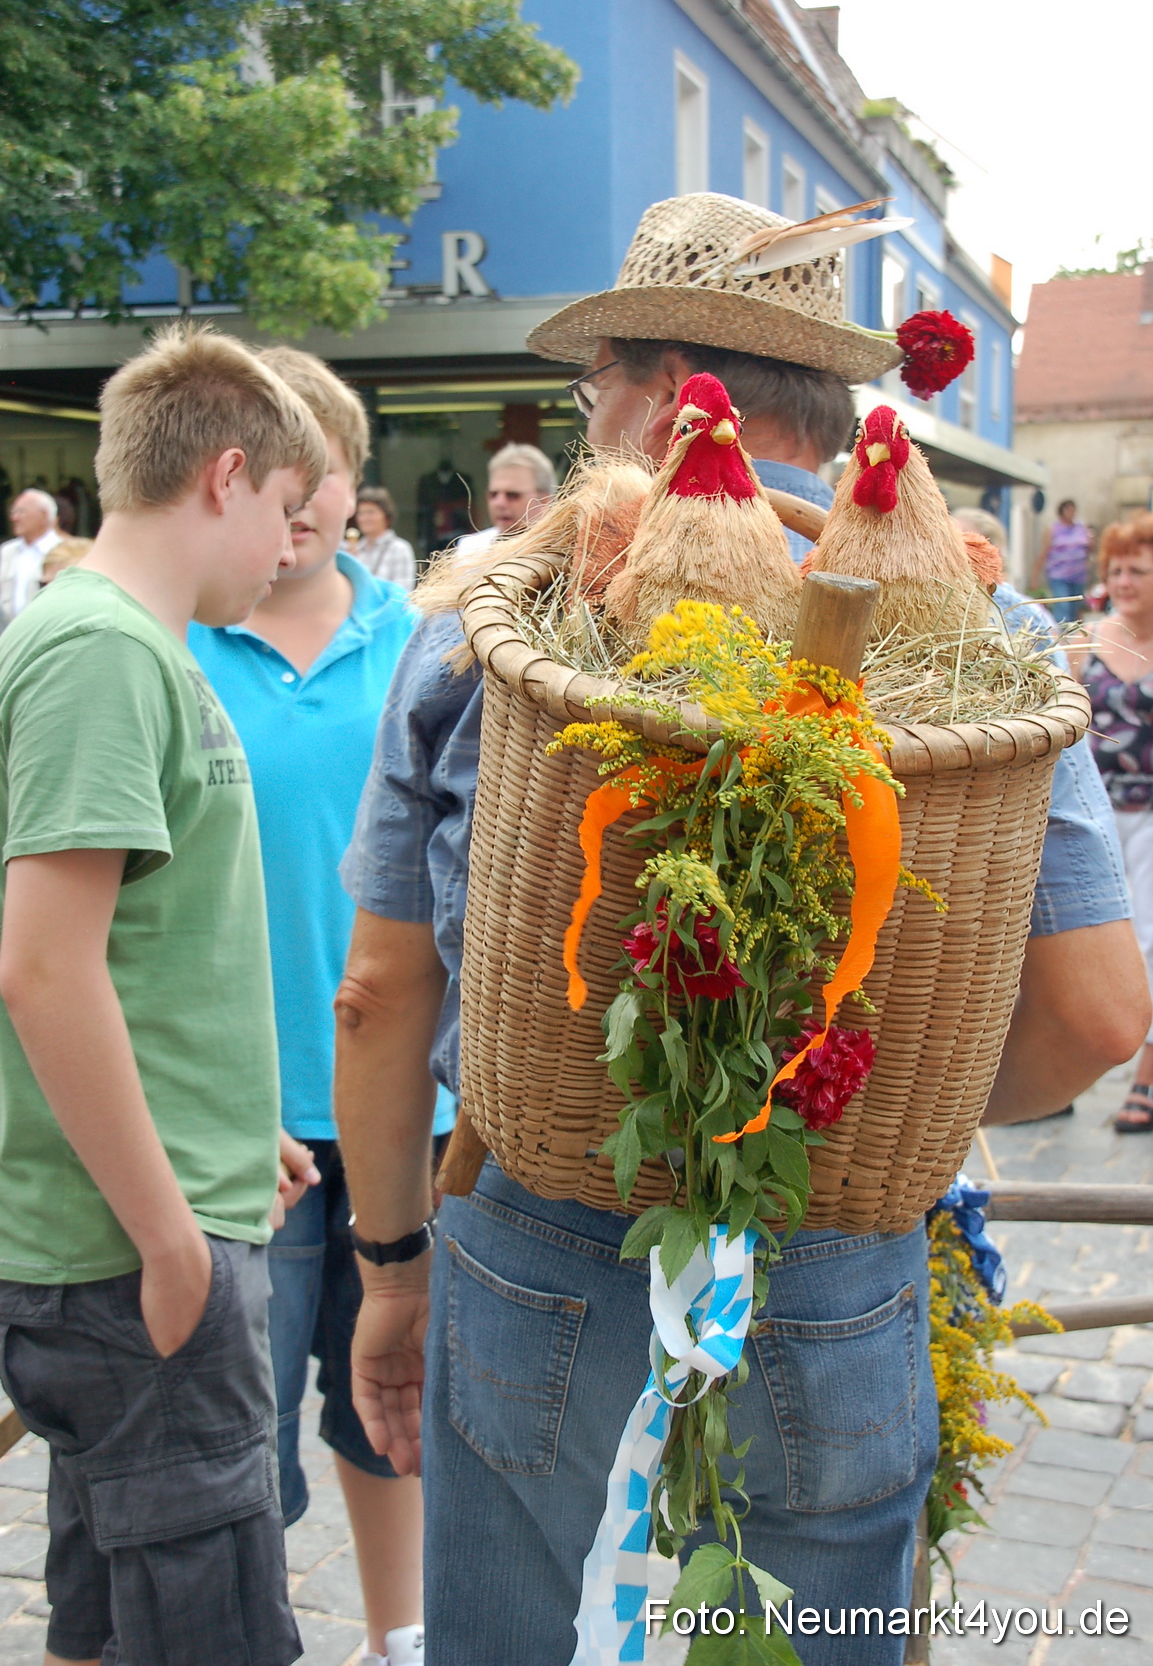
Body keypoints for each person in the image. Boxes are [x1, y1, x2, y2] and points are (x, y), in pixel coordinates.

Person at [334, 195, 1148, 1666]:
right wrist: (884, 1109)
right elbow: (1100, 1013)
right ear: (822, 408)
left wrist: (390, 1273)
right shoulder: (988, 639)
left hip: (536, 1222)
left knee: (507, 1622)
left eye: (593, 395)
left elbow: (381, 994)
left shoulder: (483, 625)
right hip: (832, 1238)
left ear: (658, 394)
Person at [0, 324, 327, 1666]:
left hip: (146, 1231)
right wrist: (175, 1233)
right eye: (289, 513)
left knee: (100, 1626)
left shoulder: (133, 643)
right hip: (132, 1258)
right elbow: (41, 964)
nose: (293, 548)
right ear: (227, 476)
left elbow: (139, 951)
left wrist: (228, 1129)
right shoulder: (103, 650)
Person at [189, 347, 427, 1666]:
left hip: (402, 1105)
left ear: (347, 481)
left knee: (391, 1413)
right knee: (237, 1429)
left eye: (318, 473)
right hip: (243, 1112)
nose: (297, 504)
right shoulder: (179, 635)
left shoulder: (425, 644)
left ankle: (400, 1634)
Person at [1067, 513, 1153, 1132]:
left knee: (1149, 945)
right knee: (1078, 936)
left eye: (1138, 571)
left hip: (1152, 814)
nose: (1124, 581)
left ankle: (1146, 1079)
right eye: (1116, 570)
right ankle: (1063, 1076)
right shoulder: (1086, 640)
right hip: (1097, 815)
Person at [455, 442, 556, 556]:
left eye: (513, 495)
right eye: (493, 494)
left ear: (544, 500)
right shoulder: (470, 549)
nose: (499, 503)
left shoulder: (563, 551)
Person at [0, 489, 63, 628]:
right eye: (13, 512)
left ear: (44, 516)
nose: (14, 518)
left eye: (21, 512)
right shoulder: (7, 551)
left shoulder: (62, 552)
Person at [1031, 497, 1094, 623]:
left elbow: (1088, 549)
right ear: (1061, 512)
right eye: (1068, 510)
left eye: (1073, 510)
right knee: (1062, 605)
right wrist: (1035, 575)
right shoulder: (1053, 529)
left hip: (1078, 575)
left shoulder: (1081, 527)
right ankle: (1061, 632)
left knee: (1076, 606)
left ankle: (1074, 634)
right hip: (1059, 574)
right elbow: (1045, 551)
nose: (1071, 513)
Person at [350, 486, 417, 591]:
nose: (364, 518)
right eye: (361, 513)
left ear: (386, 516)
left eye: (370, 512)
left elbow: (402, 593)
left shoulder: (399, 549)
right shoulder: (354, 549)